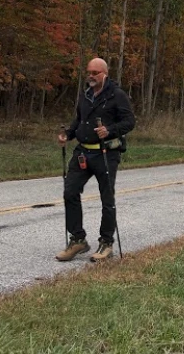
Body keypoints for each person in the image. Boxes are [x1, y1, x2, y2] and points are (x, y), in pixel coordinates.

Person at [56, 57, 135, 262]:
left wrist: (109, 130)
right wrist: (68, 134)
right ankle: (78, 240)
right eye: (89, 72)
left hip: (106, 154)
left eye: (95, 73)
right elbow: (79, 120)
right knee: (70, 191)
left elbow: (129, 121)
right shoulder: (86, 95)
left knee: (107, 199)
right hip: (83, 152)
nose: (90, 76)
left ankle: (106, 242)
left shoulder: (116, 95)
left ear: (104, 74)